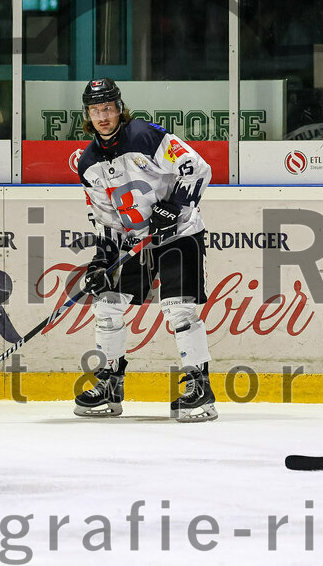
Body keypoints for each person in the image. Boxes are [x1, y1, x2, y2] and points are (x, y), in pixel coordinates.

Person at [73, 78, 216, 422]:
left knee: (179, 309)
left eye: (108, 108)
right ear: (88, 116)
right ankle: (110, 381)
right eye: (96, 110)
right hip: (135, 243)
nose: (103, 116)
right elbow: (106, 217)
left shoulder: (145, 136)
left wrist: (174, 208)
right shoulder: (88, 162)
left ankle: (199, 385)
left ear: (120, 108)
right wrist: (102, 259)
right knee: (106, 304)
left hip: (179, 235)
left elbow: (196, 167)